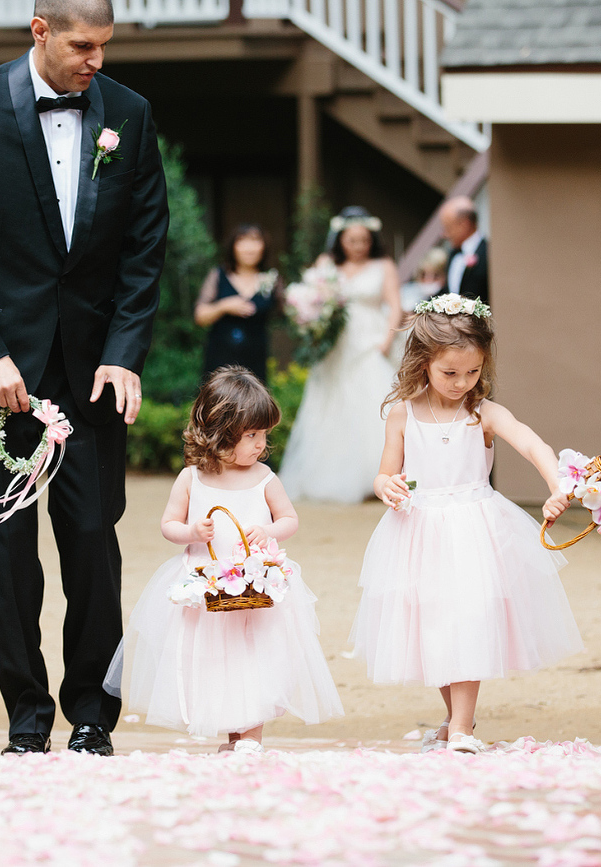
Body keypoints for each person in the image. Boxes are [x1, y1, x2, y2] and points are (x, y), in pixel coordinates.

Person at [0, 0, 169, 757]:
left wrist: (123, 351)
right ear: (41, 32)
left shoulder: (129, 113)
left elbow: (143, 245)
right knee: (5, 553)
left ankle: (93, 712)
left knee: (93, 541)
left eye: (104, 46)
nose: (95, 60)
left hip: (90, 375)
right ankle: (26, 717)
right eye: (82, 45)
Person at [351, 295, 583, 753]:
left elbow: (534, 445)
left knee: (470, 618)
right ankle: (455, 721)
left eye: (473, 372)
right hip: (418, 530)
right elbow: (384, 472)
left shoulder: (484, 413)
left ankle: (460, 727)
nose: (462, 383)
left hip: (475, 529)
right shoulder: (402, 414)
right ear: (423, 363)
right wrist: (387, 487)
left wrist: (559, 487)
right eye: (449, 373)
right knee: (431, 624)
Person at [104, 367, 343, 750]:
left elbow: (289, 519)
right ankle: (232, 733)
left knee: (255, 658)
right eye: (251, 435)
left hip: (254, 590)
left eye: (264, 435)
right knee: (216, 662)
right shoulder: (191, 478)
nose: (261, 444)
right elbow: (168, 525)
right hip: (208, 589)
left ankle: (249, 736)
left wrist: (269, 531)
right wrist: (192, 532)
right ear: (219, 430)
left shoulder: (264, 477)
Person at [278, 207, 402, 503]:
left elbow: (395, 305)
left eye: (364, 240)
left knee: (374, 402)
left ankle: (380, 474)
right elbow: (311, 299)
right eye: (352, 240)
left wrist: (387, 339)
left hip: (370, 340)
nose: (359, 246)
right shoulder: (326, 264)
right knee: (331, 405)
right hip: (335, 344)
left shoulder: (383, 265)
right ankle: (332, 476)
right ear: (339, 239)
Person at [195, 224, 281, 385]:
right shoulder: (218, 275)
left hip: (256, 360)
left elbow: (288, 312)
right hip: (220, 359)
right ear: (233, 246)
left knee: (255, 406)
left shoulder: (272, 279)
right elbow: (200, 316)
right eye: (243, 241)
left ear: (264, 246)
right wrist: (223, 306)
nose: (249, 248)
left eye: (255, 241)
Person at [440, 196, 489, 306]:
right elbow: (447, 291)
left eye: (447, 228)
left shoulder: (489, 253)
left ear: (464, 225)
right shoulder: (453, 254)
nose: (444, 235)